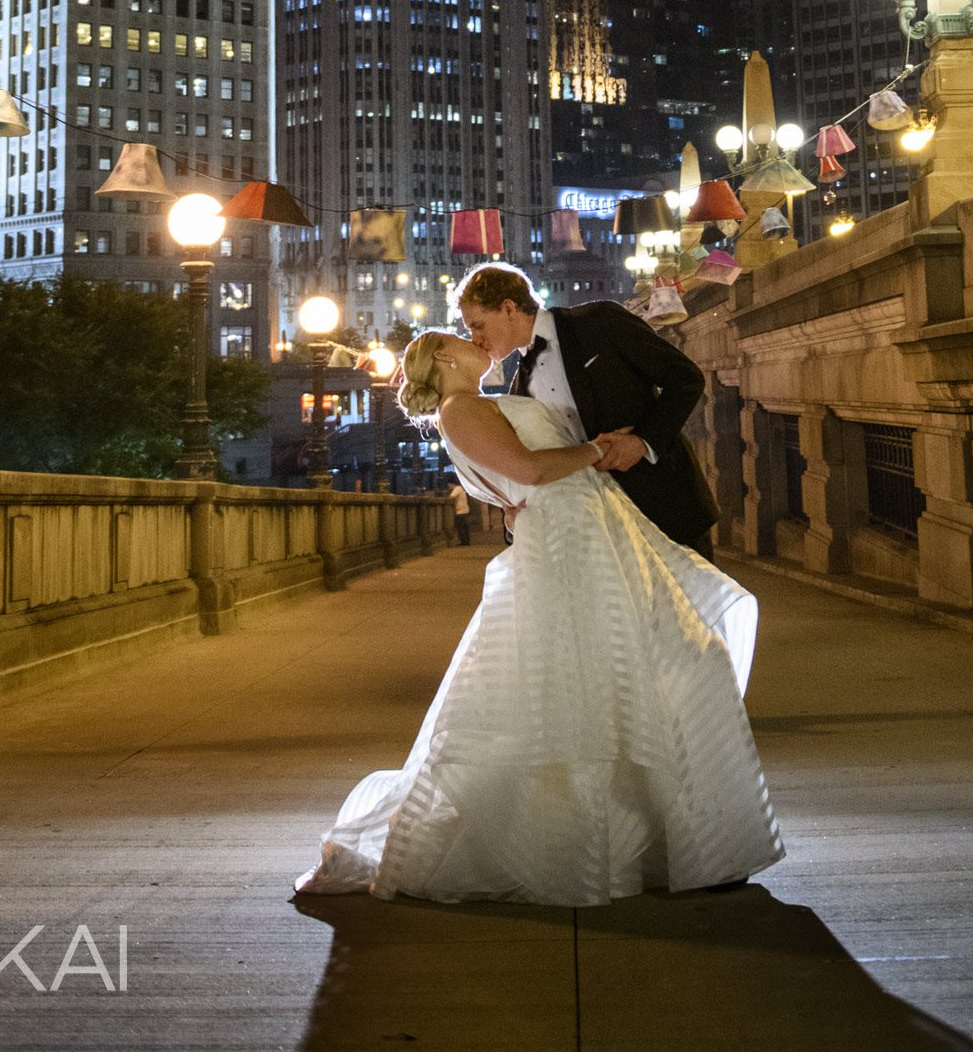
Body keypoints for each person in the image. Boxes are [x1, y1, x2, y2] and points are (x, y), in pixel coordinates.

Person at [293, 329, 783, 905]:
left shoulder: (484, 402)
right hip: (568, 545)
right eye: (465, 337)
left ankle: (668, 840)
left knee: (660, 667)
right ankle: (604, 845)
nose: (479, 340)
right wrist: (599, 451)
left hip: (595, 532)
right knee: (593, 684)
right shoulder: (461, 408)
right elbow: (525, 470)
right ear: (445, 357)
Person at [456, 263, 719, 559]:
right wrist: (512, 520)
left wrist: (642, 442)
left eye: (477, 325)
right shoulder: (519, 390)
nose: (475, 339)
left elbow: (685, 378)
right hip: (602, 539)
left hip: (665, 507)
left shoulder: (599, 321)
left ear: (508, 308)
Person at [447, 478, 471, 546]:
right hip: (465, 510)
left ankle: (464, 542)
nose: (448, 486)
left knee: (460, 527)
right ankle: (467, 541)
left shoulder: (457, 489)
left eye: (449, 484)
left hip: (460, 511)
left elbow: (451, 497)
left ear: (452, 483)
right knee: (465, 527)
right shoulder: (461, 488)